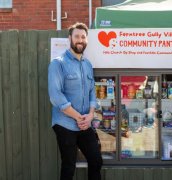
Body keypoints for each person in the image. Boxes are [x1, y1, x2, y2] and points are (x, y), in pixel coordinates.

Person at [48, 22, 102, 180]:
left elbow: (92, 91)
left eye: (83, 37)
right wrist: (79, 117)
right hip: (65, 124)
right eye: (77, 36)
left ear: (87, 40)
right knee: (69, 165)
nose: (80, 40)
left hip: (85, 122)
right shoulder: (58, 63)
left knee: (96, 160)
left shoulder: (87, 64)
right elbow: (55, 96)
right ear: (69, 38)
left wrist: (90, 115)